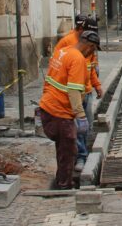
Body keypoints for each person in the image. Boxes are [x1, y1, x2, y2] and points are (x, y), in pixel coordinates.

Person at [38, 29, 100, 190]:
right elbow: (73, 91)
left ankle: (61, 179)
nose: (92, 53)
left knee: (62, 148)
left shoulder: (63, 52)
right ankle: (64, 185)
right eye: (93, 49)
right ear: (90, 46)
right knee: (68, 149)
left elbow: (50, 79)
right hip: (59, 111)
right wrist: (80, 116)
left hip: (48, 106)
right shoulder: (78, 59)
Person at [53, 15, 102, 172]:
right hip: (73, 92)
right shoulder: (67, 43)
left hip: (86, 90)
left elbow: (91, 67)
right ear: (82, 31)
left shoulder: (89, 45)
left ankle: (84, 154)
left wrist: (96, 85)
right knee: (76, 127)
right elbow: (58, 67)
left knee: (86, 127)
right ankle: (80, 157)